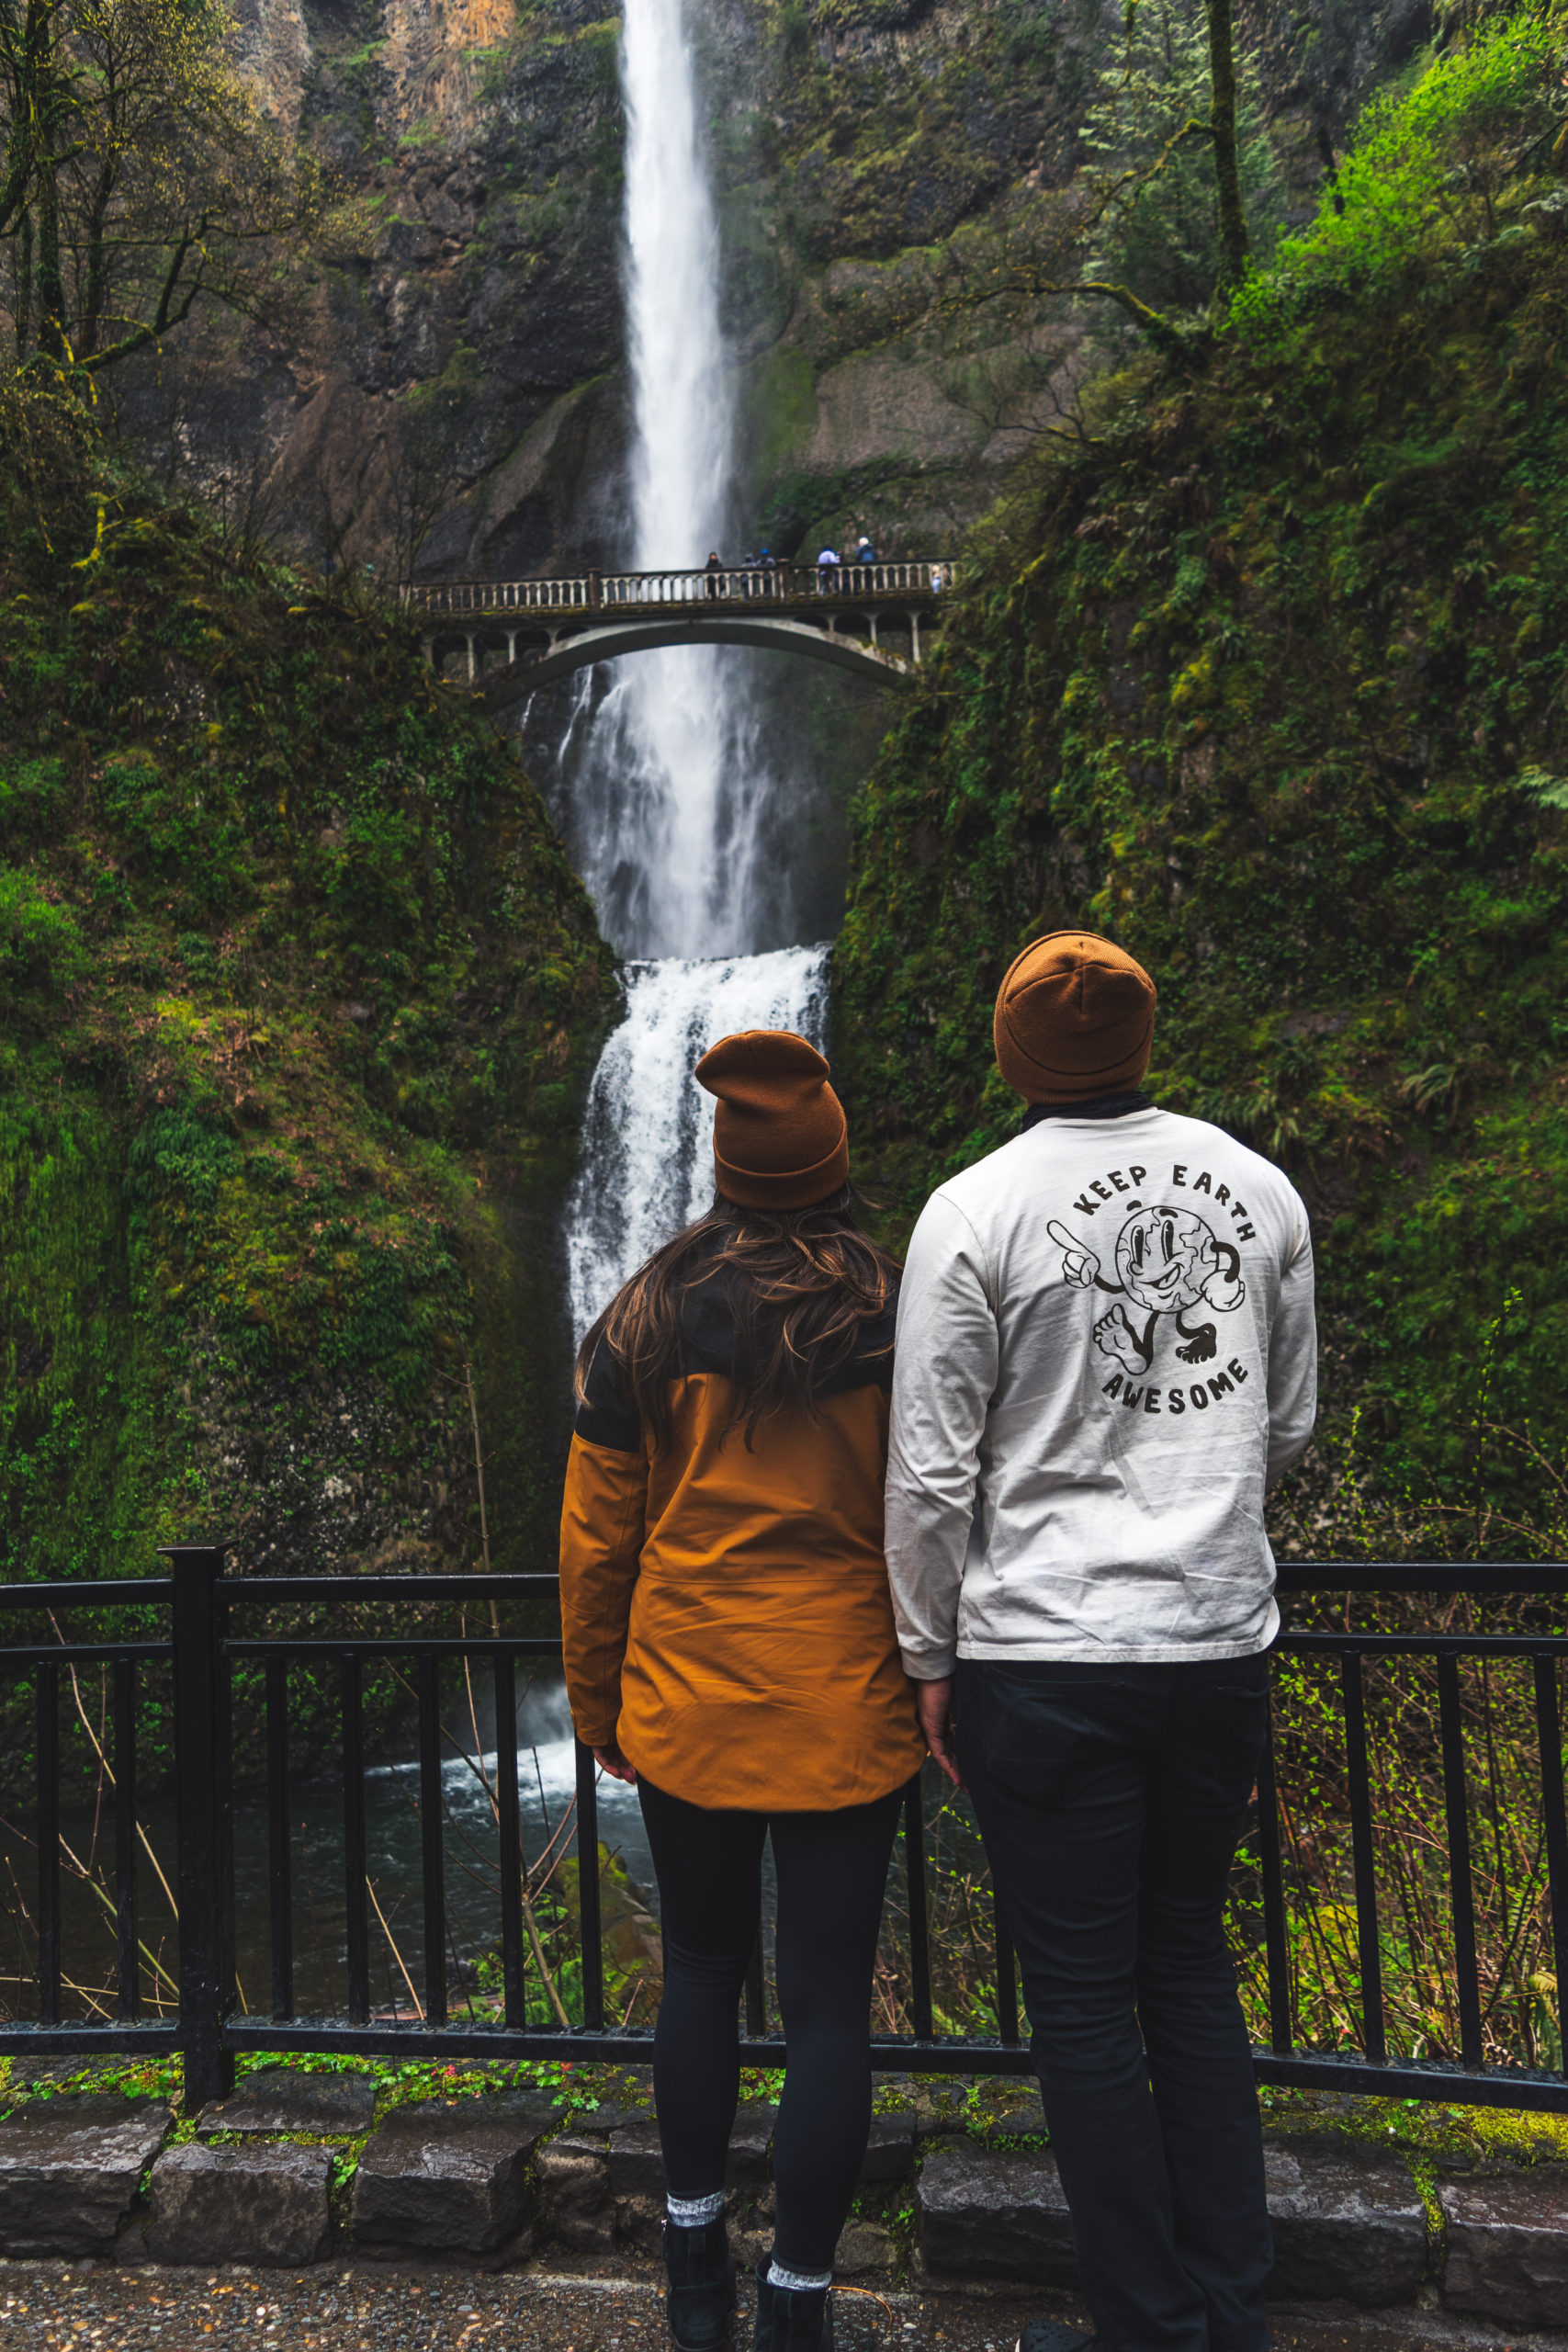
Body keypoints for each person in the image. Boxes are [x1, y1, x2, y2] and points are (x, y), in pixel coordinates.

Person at [885, 932, 1317, 2352]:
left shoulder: (973, 1209)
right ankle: (1229, 2313)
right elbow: (1286, 1426)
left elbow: (934, 1473)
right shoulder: (1259, 1191)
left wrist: (927, 1657)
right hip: (1214, 1643)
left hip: (1044, 1656)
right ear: (1145, 1038)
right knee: (1186, 1968)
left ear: (1012, 1054)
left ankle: (1147, 2325)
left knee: (1080, 2001)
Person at [560, 1030, 924, 2352]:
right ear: (831, 1160)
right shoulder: (898, 1308)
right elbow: (933, 1511)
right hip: (847, 1703)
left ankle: (694, 2264)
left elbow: (597, 1539)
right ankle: (800, 2302)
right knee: (828, 2000)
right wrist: (942, 1672)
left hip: (689, 1703)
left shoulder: (645, 1313)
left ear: (720, 1162)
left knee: (701, 1974)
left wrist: (597, 1705)